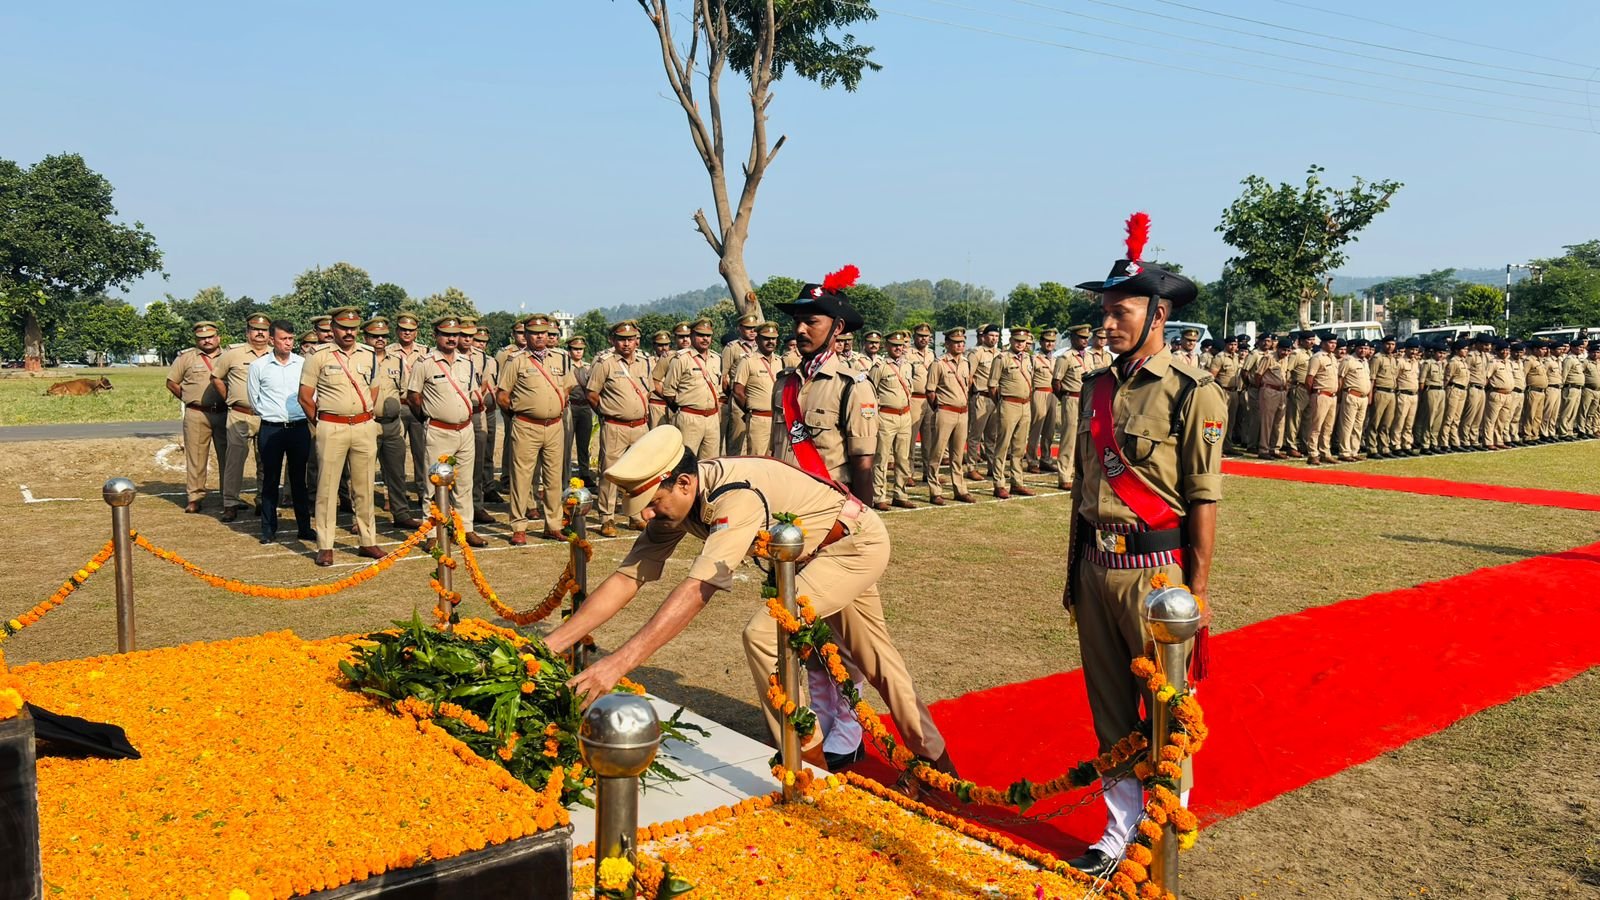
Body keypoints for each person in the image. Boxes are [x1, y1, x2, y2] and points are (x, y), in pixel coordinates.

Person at [544, 425, 957, 779]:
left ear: (684, 483)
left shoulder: (732, 497)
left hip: (852, 546)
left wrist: (616, 665)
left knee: (764, 634)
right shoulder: (681, 500)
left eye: (652, 503)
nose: (647, 516)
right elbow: (628, 577)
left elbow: (698, 590)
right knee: (877, 659)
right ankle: (936, 765)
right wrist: (550, 645)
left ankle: (809, 766)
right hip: (819, 551)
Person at [1064, 214, 1223, 879]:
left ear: (1158, 314)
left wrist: (1198, 591)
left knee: (1164, 710)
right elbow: (1084, 486)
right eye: (1104, 312)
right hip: (1097, 566)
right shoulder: (1096, 387)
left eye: (1119, 311)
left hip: (1156, 573)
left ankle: (1161, 833)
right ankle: (1118, 830)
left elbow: (1203, 496)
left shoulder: (1193, 390)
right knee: (1108, 709)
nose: (1106, 323)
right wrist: (1074, 572)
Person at [297, 306, 381, 567]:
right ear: (333, 328)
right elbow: (305, 396)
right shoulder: (318, 356)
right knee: (327, 488)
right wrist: (322, 422)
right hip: (332, 427)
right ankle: (325, 545)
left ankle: (368, 540)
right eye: (344, 328)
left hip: (364, 426)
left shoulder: (369, 355)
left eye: (353, 328)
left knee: (365, 487)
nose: (349, 333)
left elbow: (373, 390)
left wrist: (362, 415)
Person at [407, 316, 489, 548]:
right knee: (433, 483)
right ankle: (432, 532)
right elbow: (413, 396)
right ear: (436, 335)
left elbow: (471, 392)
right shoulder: (425, 362)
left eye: (455, 335)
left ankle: (465, 529)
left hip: (465, 430)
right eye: (446, 334)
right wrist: (428, 417)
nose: (452, 339)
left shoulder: (467, 362)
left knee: (464, 483)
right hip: (439, 430)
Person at [498, 314, 576, 544]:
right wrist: (520, 414)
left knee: (554, 478)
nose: (540, 337)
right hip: (526, 426)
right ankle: (519, 527)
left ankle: (553, 525)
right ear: (527, 335)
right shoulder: (516, 360)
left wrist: (555, 405)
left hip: (554, 426)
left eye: (544, 333)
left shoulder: (561, 358)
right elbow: (503, 395)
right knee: (521, 478)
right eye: (534, 333)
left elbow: (568, 387)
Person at [247, 321, 314, 545]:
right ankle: (268, 529)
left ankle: (304, 528)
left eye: (291, 339)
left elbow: (311, 395)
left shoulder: (303, 364)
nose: (288, 343)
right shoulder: (258, 366)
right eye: (283, 339)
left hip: (299, 428)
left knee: (299, 480)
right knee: (270, 479)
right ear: (272, 340)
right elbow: (254, 399)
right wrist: (271, 414)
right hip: (271, 429)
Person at [589, 320, 653, 537]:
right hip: (615, 426)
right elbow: (592, 394)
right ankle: (607, 518)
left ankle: (636, 515)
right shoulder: (605, 363)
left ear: (636, 341)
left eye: (630, 339)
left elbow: (648, 390)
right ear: (613, 340)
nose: (626, 344)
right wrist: (607, 413)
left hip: (640, 426)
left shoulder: (645, 362)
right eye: (622, 339)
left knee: (638, 473)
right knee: (610, 473)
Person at [211, 313, 272, 522]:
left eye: (264, 330)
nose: (260, 333)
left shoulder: (276, 354)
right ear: (247, 332)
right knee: (234, 461)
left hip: (267, 416)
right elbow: (216, 377)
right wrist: (229, 398)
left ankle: (264, 501)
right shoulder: (233, 354)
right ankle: (230, 503)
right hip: (240, 415)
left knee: (267, 461)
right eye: (255, 329)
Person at [364, 317, 422, 529]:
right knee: (363, 474)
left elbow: (404, 391)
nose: (379, 339)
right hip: (367, 423)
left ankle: (401, 513)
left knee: (397, 472)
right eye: (374, 336)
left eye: (383, 336)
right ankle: (363, 518)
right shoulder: (360, 359)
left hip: (393, 424)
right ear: (366, 337)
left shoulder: (396, 361)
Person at [166, 321, 228, 513]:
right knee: (196, 457)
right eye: (202, 338)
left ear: (218, 338)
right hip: (197, 413)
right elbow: (171, 382)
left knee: (228, 457)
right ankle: (195, 497)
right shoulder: (186, 358)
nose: (207, 341)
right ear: (196, 340)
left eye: (210, 337)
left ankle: (229, 496)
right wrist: (188, 398)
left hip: (225, 412)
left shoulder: (229, 356)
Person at [868, 331, 919, 510]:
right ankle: (878, 496)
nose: (898, 348)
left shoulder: (908, 366)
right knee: (881, 458)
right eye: (894, 345)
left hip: (905, 416)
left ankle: (900, 494)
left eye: (900, 345)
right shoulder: (879, 367)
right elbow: (870, 392)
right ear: (887, 346)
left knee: (903, 458)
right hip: (886, 416)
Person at [661, 319, 724, 459]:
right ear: (692, 335)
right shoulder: (681, 359)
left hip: (712, 418)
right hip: (690, 417)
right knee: (686, 461)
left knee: (710, 462)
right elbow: (669, 392)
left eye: (708, 335)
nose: (705, 339)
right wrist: (684, 411)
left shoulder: (716, 358)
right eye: (701, 335)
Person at [989, 326, 1037, 498]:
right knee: (1002, 446)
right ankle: (999, 483)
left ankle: (1017, 482)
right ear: (1011, 341)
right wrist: (1002, 403)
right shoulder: (1002, 358)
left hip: (1025, 405)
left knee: (1019, 447)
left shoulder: (1029, 359)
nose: (1020, 344)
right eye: (1017, 341)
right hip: (1009, 404)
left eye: (1023, 341)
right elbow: (992, 386)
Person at [393, 313, 430, 506]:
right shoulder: (388, 351)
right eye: (403, 329)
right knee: (395, 455)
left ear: (416, 332)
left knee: (422, 452)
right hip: (397, 407)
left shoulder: (426, 351)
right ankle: (394, 494)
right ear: (397, 331)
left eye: (410, 330)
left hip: (417, 407)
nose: (407, 333)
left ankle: (424, 491)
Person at [731, 322, 782, 461]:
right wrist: (749, 410)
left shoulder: (780, 362)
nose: (770, 342)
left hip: (777, 419)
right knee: (757, 459)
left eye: (773, 338)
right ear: (758, 339)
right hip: (758, 418)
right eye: (766, 338)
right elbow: (738, 391)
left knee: (776, 459)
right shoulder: (748, 361)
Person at [1052, 325, 1092, 491]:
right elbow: (1056, 382)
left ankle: (1081, 474)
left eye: (1086, 338)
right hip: (1072, 399)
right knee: (1069, 439)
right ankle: (1064, 476)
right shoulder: (1065, 357)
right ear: (1073, 338)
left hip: (1087, 400)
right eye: (1081, 338)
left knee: (1084, 439)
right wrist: (1065, 398)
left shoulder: (1089, 356)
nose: (1085, 341)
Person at [966, 324, 1001, 480]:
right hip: (981, 396)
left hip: (996, 398)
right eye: (991, 336)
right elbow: (969, 377)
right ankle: (971, 467)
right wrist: (970, 396)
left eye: (996, 336)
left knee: (992, 436)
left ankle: (992, 466)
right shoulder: (977, 353)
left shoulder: (1000, 354)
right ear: (984, 337)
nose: (994, 339)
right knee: (975, 435)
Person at [722, 313, 761, 454]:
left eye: (755, 328)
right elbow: (724, 378)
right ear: (739, 328)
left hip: (757, 399)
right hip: (738, 399)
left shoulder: (760, 346)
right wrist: (732, 396)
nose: (752, 331)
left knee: (756, 443)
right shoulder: (732, 348)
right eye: (748, 328)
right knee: (737, 442)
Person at [1301, 331, 1338, 465]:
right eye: (1330, 343)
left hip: (1332, 395)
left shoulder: (1333, 358)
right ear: (1323, 343)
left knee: (1328, 427)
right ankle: (1312, 453)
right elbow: (1309, 378)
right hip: (1320, 394)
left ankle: (1325, 452)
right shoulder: (1317, 357)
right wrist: (1313, 393)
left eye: (1334, 343)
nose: (1333, 345)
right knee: (1316, 426)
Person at [1025, 328, 1059, 474]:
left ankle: (1046, 458)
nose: (1050, 344)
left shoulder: (1056, 359)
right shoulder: (1034, 358)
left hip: (1053, 394)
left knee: (1049, 430)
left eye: (1052, 341)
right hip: (1039, 392)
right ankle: (1032, 460)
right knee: (1036, 428)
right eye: (1047, 341)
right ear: (1041, 342)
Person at [1334, 338, 1371, 462]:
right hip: (1351, 395)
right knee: (1347, 425)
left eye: (1366, 348)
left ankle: (1354, 451)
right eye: (1361, 348)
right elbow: (1340, 379)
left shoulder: (1365, 362)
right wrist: (1339, 396)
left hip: (1363, 397)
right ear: (1356, 348)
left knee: (1358, 426)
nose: (1363, 350)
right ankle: (1344, 452)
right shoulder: (1348, 360)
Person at [566, 335, 596, 484]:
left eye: (581, 349)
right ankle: (565, 475)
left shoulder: (588, 367)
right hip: (570, 406)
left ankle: (585, 473)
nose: (578, 352)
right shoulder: (566, 366)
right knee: (566, 443)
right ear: (569, 350)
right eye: (575, 349)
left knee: (584, 443)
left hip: (585, 407)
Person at [648, 330, 674, 427]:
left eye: (666, 345)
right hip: (656, 405)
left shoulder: (674, 359)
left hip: (672, 406)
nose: (664, 348)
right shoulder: (648, 362)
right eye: (660, 345)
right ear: (654, 346)